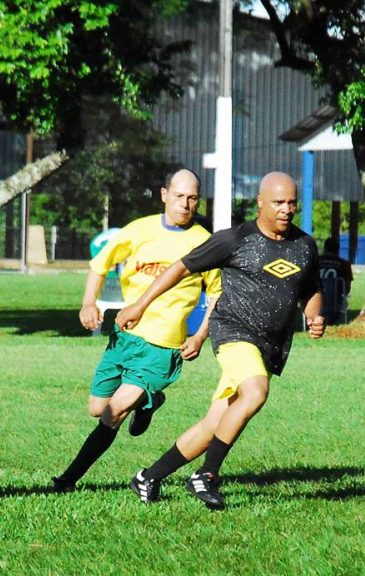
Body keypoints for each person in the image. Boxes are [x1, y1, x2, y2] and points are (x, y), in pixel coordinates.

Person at [116, 172, 325, 509]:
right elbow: (181, 268)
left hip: (270, 346)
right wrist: (140, 304)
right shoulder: (235, 239)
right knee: (255, 392)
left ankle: (149, 476)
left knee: (217, 423)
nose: (286, 209)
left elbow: (312, 287)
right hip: (233, 333)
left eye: (291, 203)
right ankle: (207, 474)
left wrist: (314, 316)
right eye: (278, 202)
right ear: (260, 203)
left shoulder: (304, 246)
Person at [52, 169, 222, 493]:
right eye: (179, 196)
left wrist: (200, 335)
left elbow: (216, 294)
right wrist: (88, 303)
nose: (185, 204)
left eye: (192, 198)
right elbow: (99, 265)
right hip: (126, 336)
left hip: (162, 347)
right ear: (164, 194)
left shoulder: (203, 242)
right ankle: (150, 401)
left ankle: (67, 479)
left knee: (113, 413)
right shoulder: (139, 230)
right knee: (97, 408)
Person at [318, 238, 353, 324]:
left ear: (325, 248)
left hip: (316, 300)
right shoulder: (344, 264)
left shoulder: (314, 261)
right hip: (336, 302)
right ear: (337, 249)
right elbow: (347, 289)